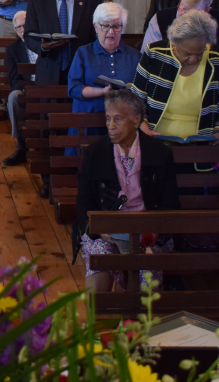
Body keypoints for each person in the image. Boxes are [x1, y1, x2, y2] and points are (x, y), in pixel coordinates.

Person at [74, 90, 179, 293]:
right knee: (98, 277)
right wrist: (98, 229)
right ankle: (100, 313)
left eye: (118, 119)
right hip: (106, 231)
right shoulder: (94, 153)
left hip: (147, 231)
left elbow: (170, 204)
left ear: (136, 120)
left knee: (143, 282)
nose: (111, 126)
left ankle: (131, 309)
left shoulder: (160, 153)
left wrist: (153, 234)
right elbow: (84, 203)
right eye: (108, 119)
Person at [23, 0, 100, 198]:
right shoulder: (38, 0)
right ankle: (50, 179)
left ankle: (81, 178)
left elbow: (97, 35)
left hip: (82, 73)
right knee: (49, 127)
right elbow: (28, 36)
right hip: (50, 71)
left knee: (80, 127)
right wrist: (43, 46)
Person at [142, 0, 219, 117]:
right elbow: (148, 62)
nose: (184, 17)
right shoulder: (160, 20)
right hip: (166, 97)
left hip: (208, 99)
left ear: (206, 11)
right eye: (182, 9)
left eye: (191, 14)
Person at [131, 10, 219, 140]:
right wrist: (143, 126)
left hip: (202, 142)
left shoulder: (218, 59)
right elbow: (135, 99)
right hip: (155, 139)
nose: (193, 59)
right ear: (174, 43)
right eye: (187, 54)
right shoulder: (154, 53)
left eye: (199, 53)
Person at [67, 3, 140, 115]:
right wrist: (102, 91)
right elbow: (74, 89)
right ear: (96, 27)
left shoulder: (135, 56)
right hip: (88, 120)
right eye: (105, 26)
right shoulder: (84, 53)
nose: (111, 32)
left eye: (116, 26)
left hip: (125, 120)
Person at [2, 13, 37, 166]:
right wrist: (28, 90)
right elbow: (14, 78)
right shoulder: (13, 49)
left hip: (46, 87)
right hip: (25, 89)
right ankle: (21, 146)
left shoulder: (45, 43)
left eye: (25, 25)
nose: (22, 30)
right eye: (18, 27)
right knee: (14, 96)